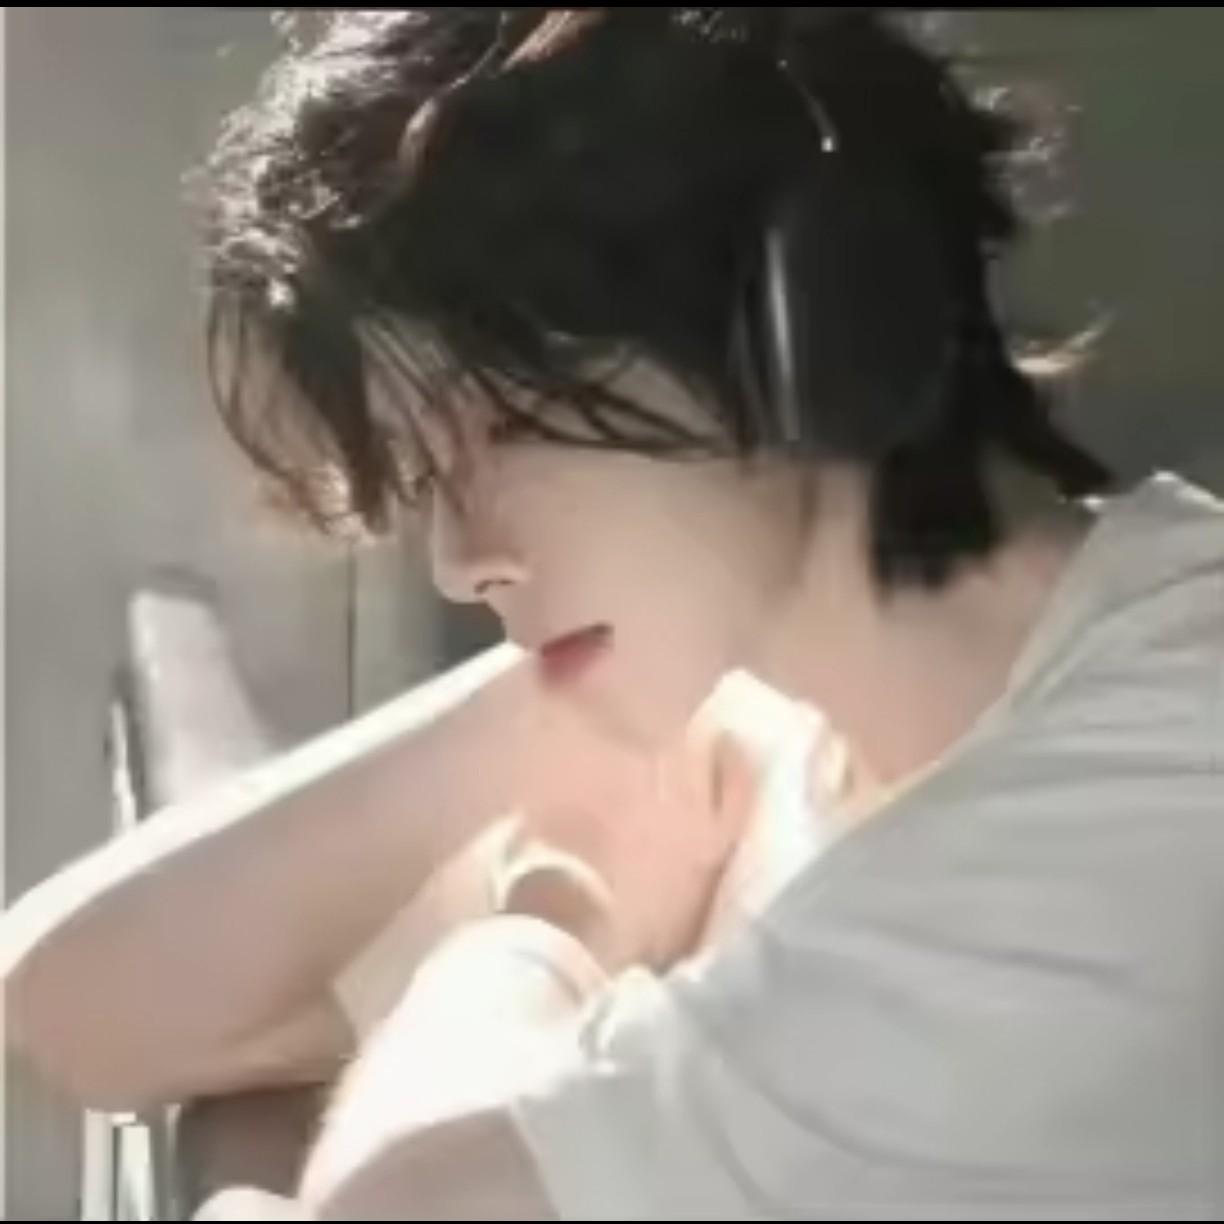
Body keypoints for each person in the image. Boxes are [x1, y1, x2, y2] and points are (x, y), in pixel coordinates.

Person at [7, 8, 1224, 1218]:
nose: (458, 563)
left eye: (503, 429)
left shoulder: (1168, 759)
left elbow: (405, 1210)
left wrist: (551, 922)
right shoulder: (768, 712)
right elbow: (77, 1011)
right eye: (429, 476)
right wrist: (547, 698)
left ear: (798, 337)